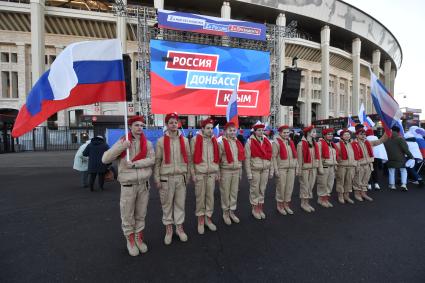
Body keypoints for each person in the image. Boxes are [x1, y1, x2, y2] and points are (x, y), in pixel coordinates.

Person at [102, 116, 155, 256]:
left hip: (144, 184)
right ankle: (130, 240)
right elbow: (105, 159)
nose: (140, 128)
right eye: (137, 125)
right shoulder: (122, 142)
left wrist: (136, 164)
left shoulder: (148, 143)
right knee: (127, 215)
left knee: (141, 214)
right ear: (130, 126)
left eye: (142, 125)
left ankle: (139, 237)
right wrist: (121, 147)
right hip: (128, 185)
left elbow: (152, 160)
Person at [154, 113, 191, 245]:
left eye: (176, 122)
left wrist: (189, 175)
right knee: (167, 205)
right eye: (171, 122)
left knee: (180, 204)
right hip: (166, 178)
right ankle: (169, 229)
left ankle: (179, 228)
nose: (174, 125)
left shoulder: (185, 141)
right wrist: (157, 179)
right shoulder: (160, 141)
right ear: (166, 124)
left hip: (181, 178)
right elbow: (157, 162)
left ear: (178, 124)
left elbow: (189, 160)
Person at [190, 118, 220, 234]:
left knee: (210, 198)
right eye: (208, 128)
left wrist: (217, 171)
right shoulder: (194, 140)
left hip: (211, 173)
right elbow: (191, 158)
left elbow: (216, 158)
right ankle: (201, 220)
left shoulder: (214, 140)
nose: (210, 130)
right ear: (202, 129)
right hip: (200, 173)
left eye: (212, 128)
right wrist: (193, 173)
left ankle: (208, 218)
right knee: (200, 198)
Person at [218, 122, 245, 225]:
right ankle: (225, 213)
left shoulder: (237, 142)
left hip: (236, 170)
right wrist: (218, 172)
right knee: (225, 193)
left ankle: (232, 212)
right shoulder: (221, 143)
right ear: (225, 131)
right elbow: (218, 159)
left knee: (234, 193)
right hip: (226, 171)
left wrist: (241, 171)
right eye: (230, 130)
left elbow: (240, 158)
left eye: (234, 130)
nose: (232, 132)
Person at [245, 121, 273, 220]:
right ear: (255, 131)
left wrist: (271, 170)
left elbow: (271, 156)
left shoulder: (267, 141)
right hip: (255, 170)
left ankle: (260, 208)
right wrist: (248, 173)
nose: (261, 132)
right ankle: (254, 209)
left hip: (265, 169)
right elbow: (247, 159)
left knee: (262, 189)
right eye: (259, 130)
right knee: (254, 190)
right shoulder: (249, 142)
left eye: (262, 130)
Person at [351, 127, 387, 201]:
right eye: (361, 134)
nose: (363, 135)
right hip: (359, 166)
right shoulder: (353, 144)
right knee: (358, 181)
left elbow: (381, 140)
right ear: (357, 135)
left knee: (365, 181)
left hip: (368, 165)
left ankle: (364, 194)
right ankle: (357, 194)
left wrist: (387, 131)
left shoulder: (369, 143)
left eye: (364, 134)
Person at [272, 125, 298, 215]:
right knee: (281, 188)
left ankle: (286, 205)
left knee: (289, 188)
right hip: (281, 169)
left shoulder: (290, 141)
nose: (286, 134)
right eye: (284, 132)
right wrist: (276, 170)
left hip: (291, 168)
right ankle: (280, 206)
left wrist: (296, 167)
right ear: (280, 133)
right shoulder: (276, 142)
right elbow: (273, 158)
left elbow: (295, 155)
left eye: (288, 132)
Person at [297, 125, 322, 212]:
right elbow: (299, 159)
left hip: (313, 167)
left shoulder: (315, 144)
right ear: (308, 133)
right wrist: (299, 170)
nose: (315, 134)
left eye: (315, 132)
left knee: (310, 186)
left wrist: (318, 166)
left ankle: (307, 203)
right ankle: (303, 203)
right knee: (305, 186)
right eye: (313, 132)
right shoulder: (301, 144)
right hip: (305, 168)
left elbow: (318, 157)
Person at [384, 125, 414, 191]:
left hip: (390, 158)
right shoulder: (400, 139)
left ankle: (392, 185)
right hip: (400, 158)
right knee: (403, 170)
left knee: (391, 171)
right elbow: (406, 149)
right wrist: (411, 157)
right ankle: (403, 184)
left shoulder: (387, 139)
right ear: (398, 131)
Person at [316, 128, 338, 208]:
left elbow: (335, 156)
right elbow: (318, 156)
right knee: (322, 184)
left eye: (331, 134)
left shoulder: (332, 144)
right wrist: (320, 167)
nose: (330, 135)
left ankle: (325, 199)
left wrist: (335, 165)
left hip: (332, 166)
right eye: (328, 134)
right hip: (324, 166)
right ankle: (321, 199)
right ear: (324, 135)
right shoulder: (320, 143)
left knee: (330, 184)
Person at [334, 129, 357, 204]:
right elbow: (336, 156)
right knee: (340, 181)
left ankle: (346, 196)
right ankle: (340, 196)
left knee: (349, 182)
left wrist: (355, 163)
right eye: (345, 135)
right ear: (341, 136)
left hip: (351, 166)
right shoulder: (337, 144)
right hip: (342, 166)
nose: (347, 136)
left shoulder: (353, 144)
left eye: (348, 134)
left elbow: (356, 155)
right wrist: (339, 159)